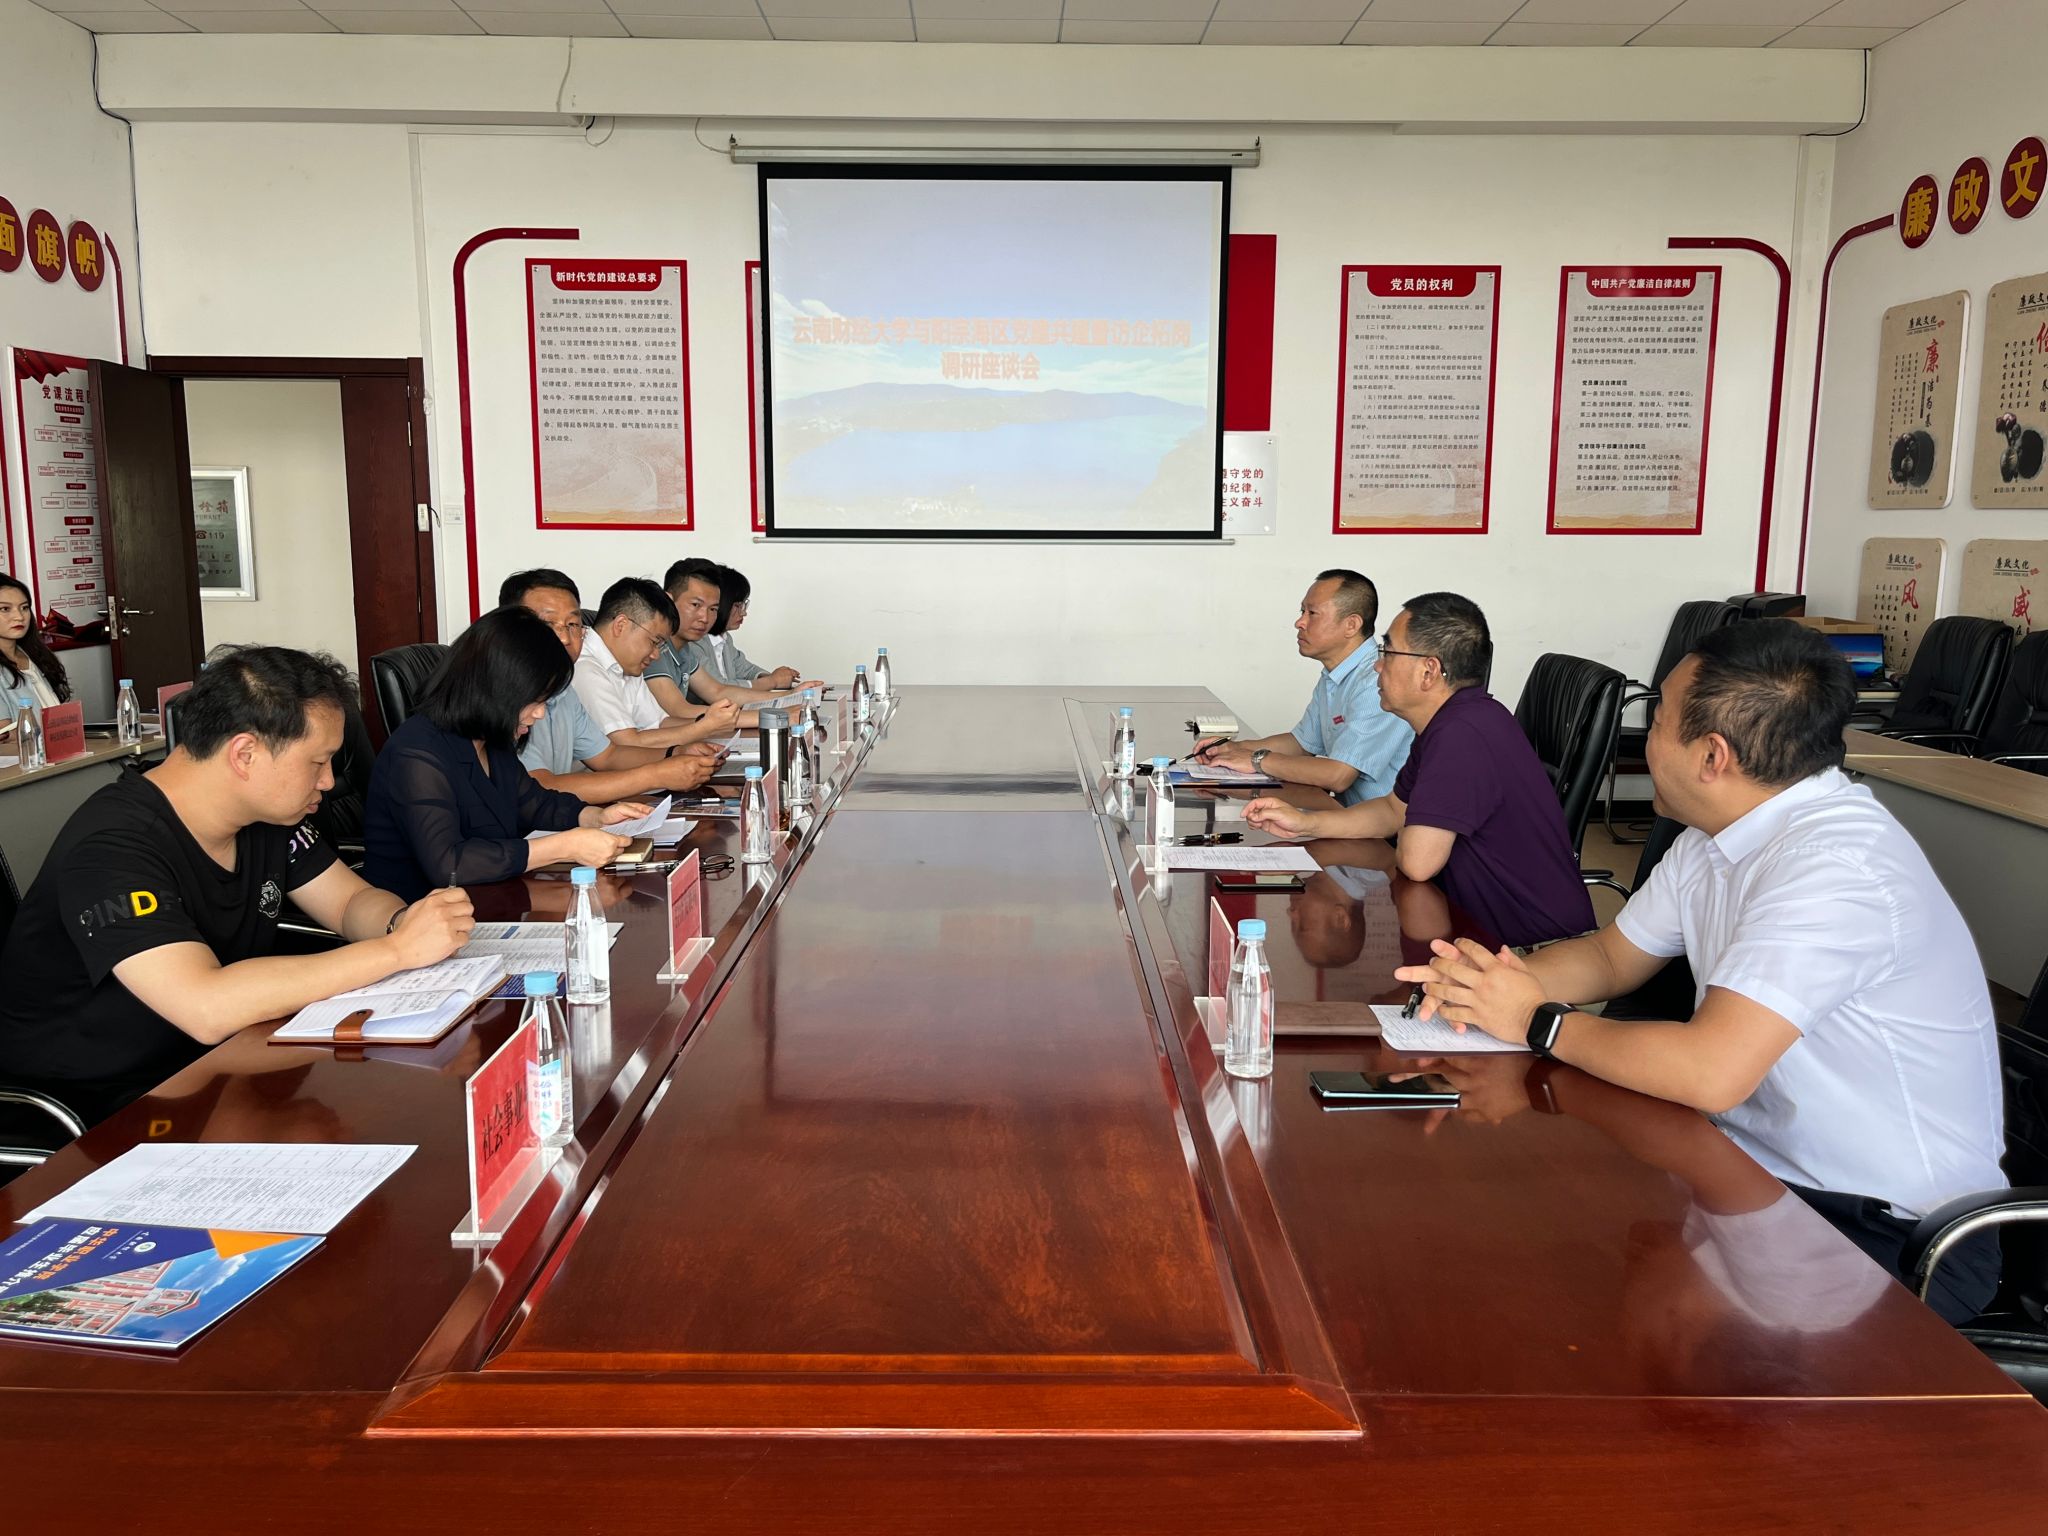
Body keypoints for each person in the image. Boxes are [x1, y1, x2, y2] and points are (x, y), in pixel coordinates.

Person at [1396, 619, 2007, 1323]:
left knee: (1573, 1303)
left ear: (1713, 756)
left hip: (1886, 1233)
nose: (1645, 737)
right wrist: (1493, 981)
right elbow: (1610, 958)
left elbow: (1711, 1070)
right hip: (1750, 1175)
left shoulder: (1836, 871)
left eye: (1656, 720)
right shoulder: (1722, 832)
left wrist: (1536, 1021)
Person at [0, 646, 476, 1131]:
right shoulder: (113, 847)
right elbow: (205, 1005)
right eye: (318, 762)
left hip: (221, 1069)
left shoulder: (268, 816)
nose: (329, 781)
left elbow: (350, 900)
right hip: (100, 1110)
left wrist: (402, 923)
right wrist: (396, 951)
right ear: (245, 755)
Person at [1246, 592, 1595, 948]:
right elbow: (1391, 810)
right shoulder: (1450, 722)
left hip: (1535, 951)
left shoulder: (1461, 735)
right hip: (1481, 933)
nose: (1377, 666)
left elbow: (1417, 863)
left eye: (1387, 653)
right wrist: (1305, 823)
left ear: (1428, 671)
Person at [364, 605, 643, 901]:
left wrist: (594, 817)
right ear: (495, 689)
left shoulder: (490, 740)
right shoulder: (417, 754)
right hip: (419, 915)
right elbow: (449, 865)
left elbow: (532, 802)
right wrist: (565, 847)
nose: (540, 714)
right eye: (535, 700)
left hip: (489, 901)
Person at [498, 568, 721, 803]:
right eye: (548, 624)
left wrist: (675, 753)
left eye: (573, 624)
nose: (564, 638)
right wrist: (657, 774)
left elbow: (607, 755)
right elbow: (540, 785)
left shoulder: (564, 688)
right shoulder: (504, 692)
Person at [1193, 569, 1411, 804]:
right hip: (1347, 813)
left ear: (1351, 625)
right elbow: (1302, 743)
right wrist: (1233, 749)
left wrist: (1256, 760)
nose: (1300, 622)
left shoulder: (1376, 681)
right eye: (1302, 612)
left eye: (1312, 613)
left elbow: (1338, 776)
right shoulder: (1335, 674)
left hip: (1386, 824)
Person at [574, 575, 746, 753]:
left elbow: (659, 723)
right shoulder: (585, 668)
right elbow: (626, 742)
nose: (656, 655)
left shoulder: (627, 665)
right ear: (621, 625)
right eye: (654, 642)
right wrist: (704, 728)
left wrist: (710, 721)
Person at [645, 558, 807, 721]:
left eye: (713, 609)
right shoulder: (654, 648)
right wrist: (775, 716)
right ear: (668, 601)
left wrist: (792, 695)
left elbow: (718, 691)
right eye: (695, 605)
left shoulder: (684, 650)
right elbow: (680, 710)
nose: (705, 618)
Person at [689, 565, 801, 691]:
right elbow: (719, 687)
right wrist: (772, 682)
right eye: (738, 606)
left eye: (744, 605)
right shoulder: (693, 643)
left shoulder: (725, 639)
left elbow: (745, 670)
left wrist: (778, 678)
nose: (744, 613)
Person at [0, 572, 71, 717]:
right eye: (5, 609)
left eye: (24, 607)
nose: (19, 617)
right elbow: (6, 730)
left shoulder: (35, 654)